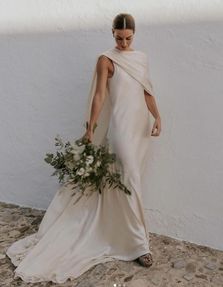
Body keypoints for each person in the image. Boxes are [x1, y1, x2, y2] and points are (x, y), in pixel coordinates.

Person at [5, 13, 161, 284]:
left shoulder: (141, 58)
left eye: (128, 39)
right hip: (121, 128)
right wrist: (91, 127)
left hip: (140, 128)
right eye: (118, 38)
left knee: (130, 182)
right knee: (130, 180)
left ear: (134, 35)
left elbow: (147, 90)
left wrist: (158, 116)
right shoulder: (106, 59)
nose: (123, 44)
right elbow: (100, 94)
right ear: (112, 33)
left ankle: (124, 235)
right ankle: (140, 246)